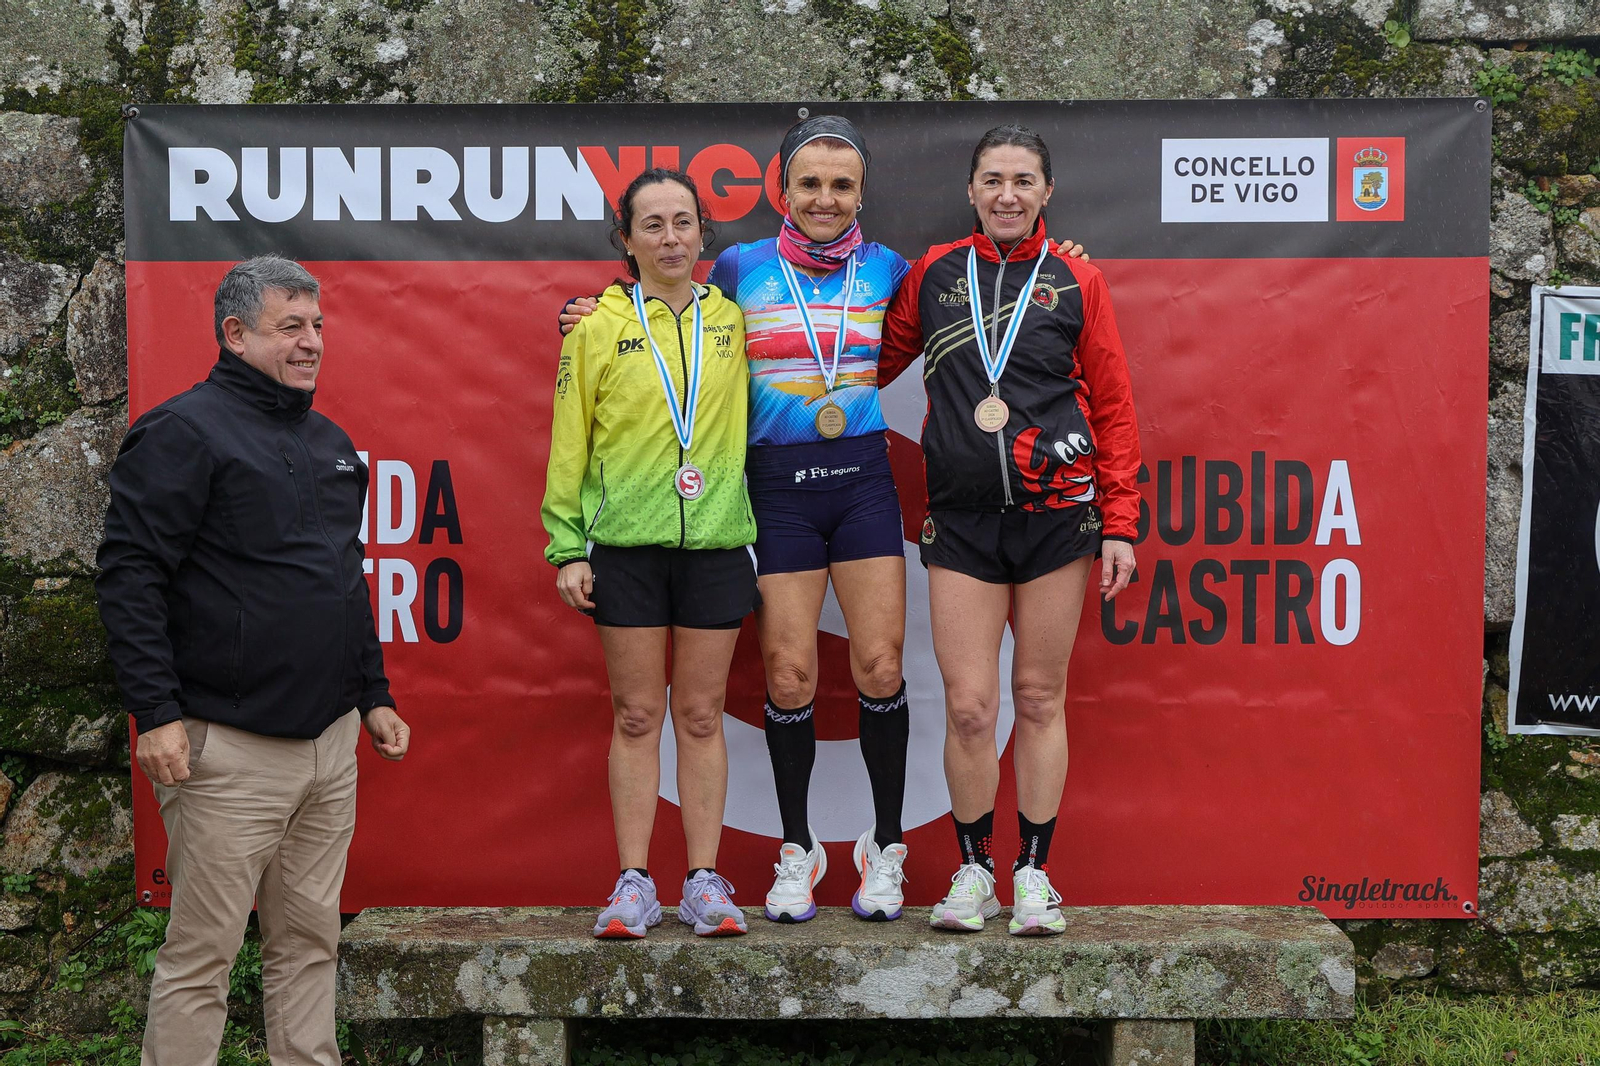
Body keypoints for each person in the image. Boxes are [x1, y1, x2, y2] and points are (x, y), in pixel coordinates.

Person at [560, 117, 1087, 925]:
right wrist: (593, 308)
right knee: (790, 675)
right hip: (776, 489)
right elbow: (667, 312)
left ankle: (885, 850)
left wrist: (1066, 259)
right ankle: (796, 852)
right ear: (783, 190)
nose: (825, 199)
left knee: (879, 666)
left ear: (862, 193)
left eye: (842, 185)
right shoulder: (738, 266)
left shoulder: (895, 273)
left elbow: (982, 293)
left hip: (864, 484)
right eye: (809, 183)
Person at [96, 255, 411, 1065]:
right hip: (225, 750)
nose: (311, 343)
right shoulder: (181, 431)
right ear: (234, 334)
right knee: (202, 958)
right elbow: (130, 577)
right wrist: (157, 713)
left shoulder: (331, 441)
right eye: (289, 328)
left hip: (330, 746)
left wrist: (373, 694)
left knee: (309, 945)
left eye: (316, 326)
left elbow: (345, 580)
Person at [880, 125, 1140, 936]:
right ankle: (972, 871)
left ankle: (1034, 872)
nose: (1007, 194)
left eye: (1023, 180)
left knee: (1036, 695)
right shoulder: (932, 274)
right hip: (960, 521)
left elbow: (1114, 403)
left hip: (1059, 519)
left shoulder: (1076, 278)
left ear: (1046, 194)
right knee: (967, 706)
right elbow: (865, 359)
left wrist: (1121, 522)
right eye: (992, 179)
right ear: (970, 191)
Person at [542, 168, 759, 939]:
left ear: (705, 233)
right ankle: (633, 883)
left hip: (718, 544)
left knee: (701, 715)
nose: (671, 238)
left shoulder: (734, 320)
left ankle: (703, 881)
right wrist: (568, 545)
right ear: (626, 240)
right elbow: (570, 443)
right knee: (637, 715)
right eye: (653, 225)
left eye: (684, 222)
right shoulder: (594, 328)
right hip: (625, 549)